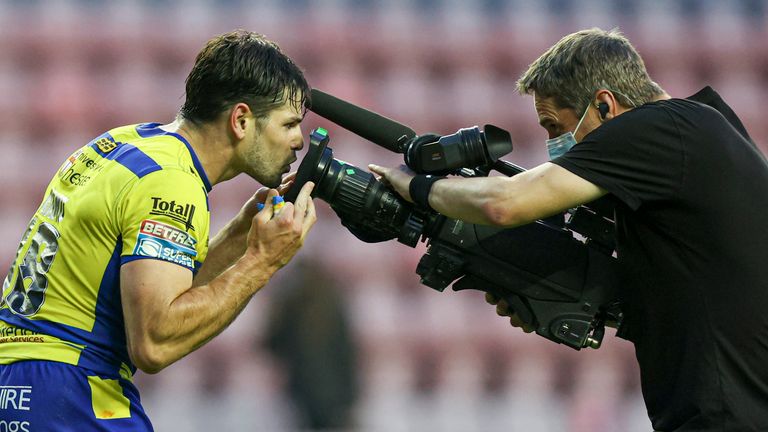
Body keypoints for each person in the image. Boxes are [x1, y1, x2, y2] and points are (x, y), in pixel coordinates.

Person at [370, 28, 768, 431]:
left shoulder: (653, 128)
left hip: (725, 415)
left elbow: (503, 203)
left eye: (554, 127)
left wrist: (417, 187)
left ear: (605, 105)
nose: (553, 145)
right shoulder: (703, 128)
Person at [0, 30, 316, 431]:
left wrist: (239, 237)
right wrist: (263, 262)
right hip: (72, 390)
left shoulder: (125, 142)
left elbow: (157, 286)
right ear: (240, 120)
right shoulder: (172, 182)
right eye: (289, 124)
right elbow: (153, 341)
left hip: (18, 382)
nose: (298, 140)